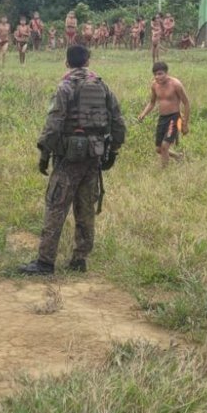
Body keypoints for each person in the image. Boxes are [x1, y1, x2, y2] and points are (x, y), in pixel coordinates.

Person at [20, 45, 126, 275]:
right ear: (88, 60)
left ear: (66, 63)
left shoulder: (65, 86)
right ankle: (79, 259)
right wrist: (113, 151)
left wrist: (44, 153)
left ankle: (45, 262)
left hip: (69, 158)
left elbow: (54, 124)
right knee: (85, 208)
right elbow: (118, 121)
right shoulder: (102, 85)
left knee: (56, 207)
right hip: (94, 156)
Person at [135, 61, 190, 168]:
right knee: (159, 149)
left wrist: (185, 123)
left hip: (174, 118)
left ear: (166, 73)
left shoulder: (176, 84)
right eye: (155, 74)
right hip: (162, 118)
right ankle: (178, 156)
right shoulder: (154, 85)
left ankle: (164, 171)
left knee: (165, 146)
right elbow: (152, 102)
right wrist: (143, 114)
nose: (157, 77)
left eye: (160, 74)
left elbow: (186, 103)